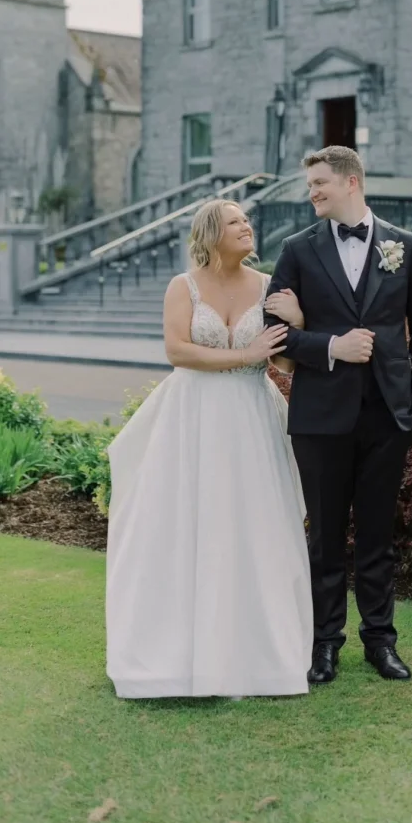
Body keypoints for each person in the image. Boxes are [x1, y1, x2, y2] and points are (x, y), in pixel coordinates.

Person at [105, 199, 313, 699]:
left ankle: (259, 655)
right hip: (191, 416)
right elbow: (176, 350)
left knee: (256, 525)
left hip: (251, 416)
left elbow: (284, 366)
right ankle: (173, 654)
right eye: (235, 221)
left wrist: (299, 323)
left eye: (247, 221)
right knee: (182, 524)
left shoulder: (269, 287)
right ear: (211, 232)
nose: (246, 227)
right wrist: (245, 353)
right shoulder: (184, 286)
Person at [264, 146, 412, 685]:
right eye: (311, 184)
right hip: (320, 417)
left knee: (378, 537)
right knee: (324, 538)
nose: (312, 192)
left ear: (351, 181)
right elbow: (273, 336)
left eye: (320, 182)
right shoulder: (296, 250)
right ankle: (324, 646)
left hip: (389, 416)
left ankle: (381, 643)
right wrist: (331, 346)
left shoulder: (403, 247)